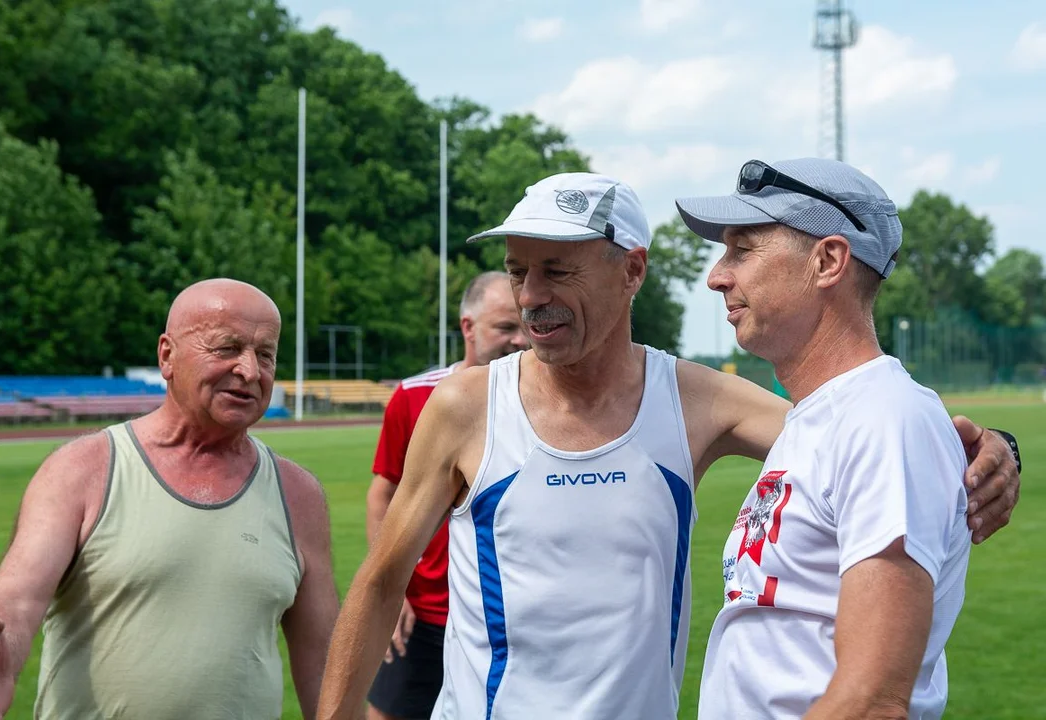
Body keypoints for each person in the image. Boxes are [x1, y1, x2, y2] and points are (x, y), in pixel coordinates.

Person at [314, 172, 1020, 720]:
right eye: (519, 269)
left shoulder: (694, 399)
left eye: (557, 271)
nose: (530, 295)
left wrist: (992, 447)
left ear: (632, 273)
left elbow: (856, 431)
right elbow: (379, 583)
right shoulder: (467, 408)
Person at [676, 158, 993, 719]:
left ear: (827, 261)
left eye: (742, 251)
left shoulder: (883, 418)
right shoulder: (822, 417)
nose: (717, 276)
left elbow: (873, 701)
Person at [0, 278, 340, 720]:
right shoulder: (84, 470)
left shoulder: (298, 495)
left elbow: (327, 665)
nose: (250, 371)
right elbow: (16, 596)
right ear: (167, 355)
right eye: (226, 348)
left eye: (265, 355)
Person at [365, 271, 527, 720]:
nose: (518, 340)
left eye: (525, 326)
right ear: (468, 328)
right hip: (425, 613)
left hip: (507, 621)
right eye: (505, 328)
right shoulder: (416, 396)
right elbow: (384, 493)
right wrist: (392, 589)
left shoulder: (547, 401)